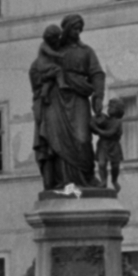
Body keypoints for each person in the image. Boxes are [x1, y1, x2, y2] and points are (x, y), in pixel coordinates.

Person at [34, 13, 104, 189]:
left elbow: (97, 73)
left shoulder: (86, 51)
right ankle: (63, 180)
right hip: (56, 99)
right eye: (74, 28)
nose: (77, 32)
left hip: (79, 97)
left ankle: (87, 177)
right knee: (56, 140)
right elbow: (37, 69)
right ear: (65, 29)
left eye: (80, 29)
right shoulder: (54, 49)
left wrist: (99, 95)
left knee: (82, 138)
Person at [28, 25, 64, 191]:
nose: (57, 43)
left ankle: (63, 180)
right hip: (44, 108)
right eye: (54, 40)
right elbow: (36, 82)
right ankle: (50, 183)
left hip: (60, 110)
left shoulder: (58, 62)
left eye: (58, 40)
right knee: (46, 145)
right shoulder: (37, 64)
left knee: (58, 144)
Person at [90, 97, 125, 192]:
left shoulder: (117, 122)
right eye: (109, 106)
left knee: (115, 165)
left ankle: (114, 180)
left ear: (118, 109)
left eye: (112, 107)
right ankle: (103, 181)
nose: (109, 108)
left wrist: (96, 129)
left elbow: (109, 133)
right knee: (101, 164)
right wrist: (96, 117)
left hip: (114, 145)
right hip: (103, 145)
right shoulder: (105, 119)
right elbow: (96, 125)